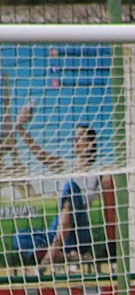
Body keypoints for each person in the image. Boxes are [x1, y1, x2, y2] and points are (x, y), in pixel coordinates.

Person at [12, 103, 115, 270]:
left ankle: (52, 256)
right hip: (58, 227)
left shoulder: (98, 172)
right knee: (19, 238)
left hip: (77, 229)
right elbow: (41, 155)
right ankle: (67, 257)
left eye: (80, 137)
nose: (75, 141)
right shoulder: (66, 166)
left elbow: (109, 205)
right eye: (74, 138)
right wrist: (20, 127)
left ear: (90, 144)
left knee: (70, 188)